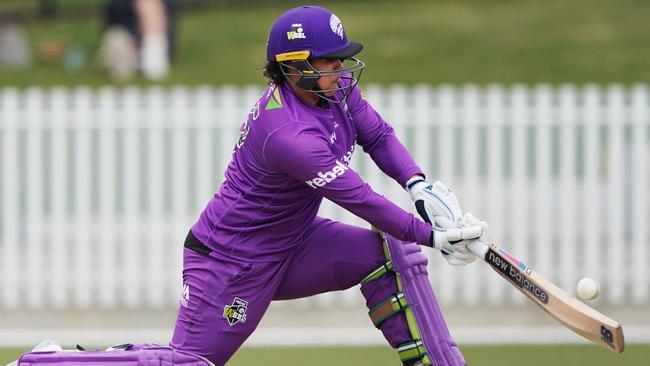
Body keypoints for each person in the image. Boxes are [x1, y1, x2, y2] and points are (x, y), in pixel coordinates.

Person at [170, 5, 487, 366]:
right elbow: (360, 199)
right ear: (294, 66)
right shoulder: (288, 135)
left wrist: (417, 185)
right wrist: (432, 236)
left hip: (294, 239)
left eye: (341, 59)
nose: (341, 67)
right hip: (231, 261)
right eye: (330, 61)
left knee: (383, 256)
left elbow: (379, 136)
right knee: (189, 363)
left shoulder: (337, 91)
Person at [98, 0, 175, 81]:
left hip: (152, 35)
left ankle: (152, 52)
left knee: (149, 4)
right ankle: (137, 56)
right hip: (125, 34)